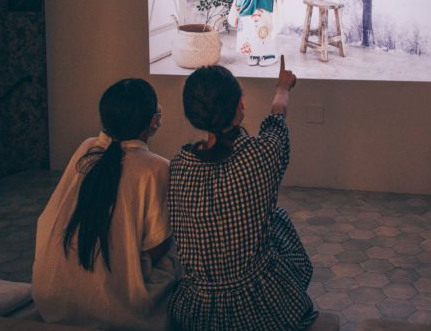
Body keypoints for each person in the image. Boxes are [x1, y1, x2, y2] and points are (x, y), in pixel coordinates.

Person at [168, 56, 317, 330]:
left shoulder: (179, 165)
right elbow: (277, 119)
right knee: (278, 220)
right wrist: (283, 87)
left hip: (196, 308)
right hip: (257, 306)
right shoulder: (259, 156)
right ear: (241, 105)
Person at [32, 78, 180, 330]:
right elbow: (157, 248)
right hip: (116, 310)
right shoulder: (157, 168)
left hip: (51, 299)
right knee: (179, 255)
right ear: (154, 121)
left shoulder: (86, 148)